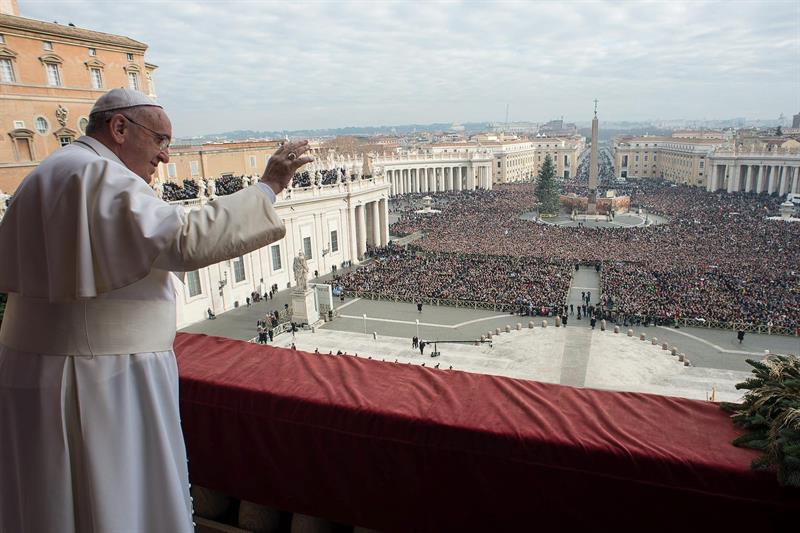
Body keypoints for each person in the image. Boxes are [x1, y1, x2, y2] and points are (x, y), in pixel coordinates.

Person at [0, 88, 313, 533]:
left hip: (47, 368)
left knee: (54, 502)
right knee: (116, 501)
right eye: (161, 140)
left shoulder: (53, 171)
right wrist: (269, 186)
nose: (165, 157)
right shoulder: (97, 174)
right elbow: (184, 239)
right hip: (100, 379)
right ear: (120, 128)